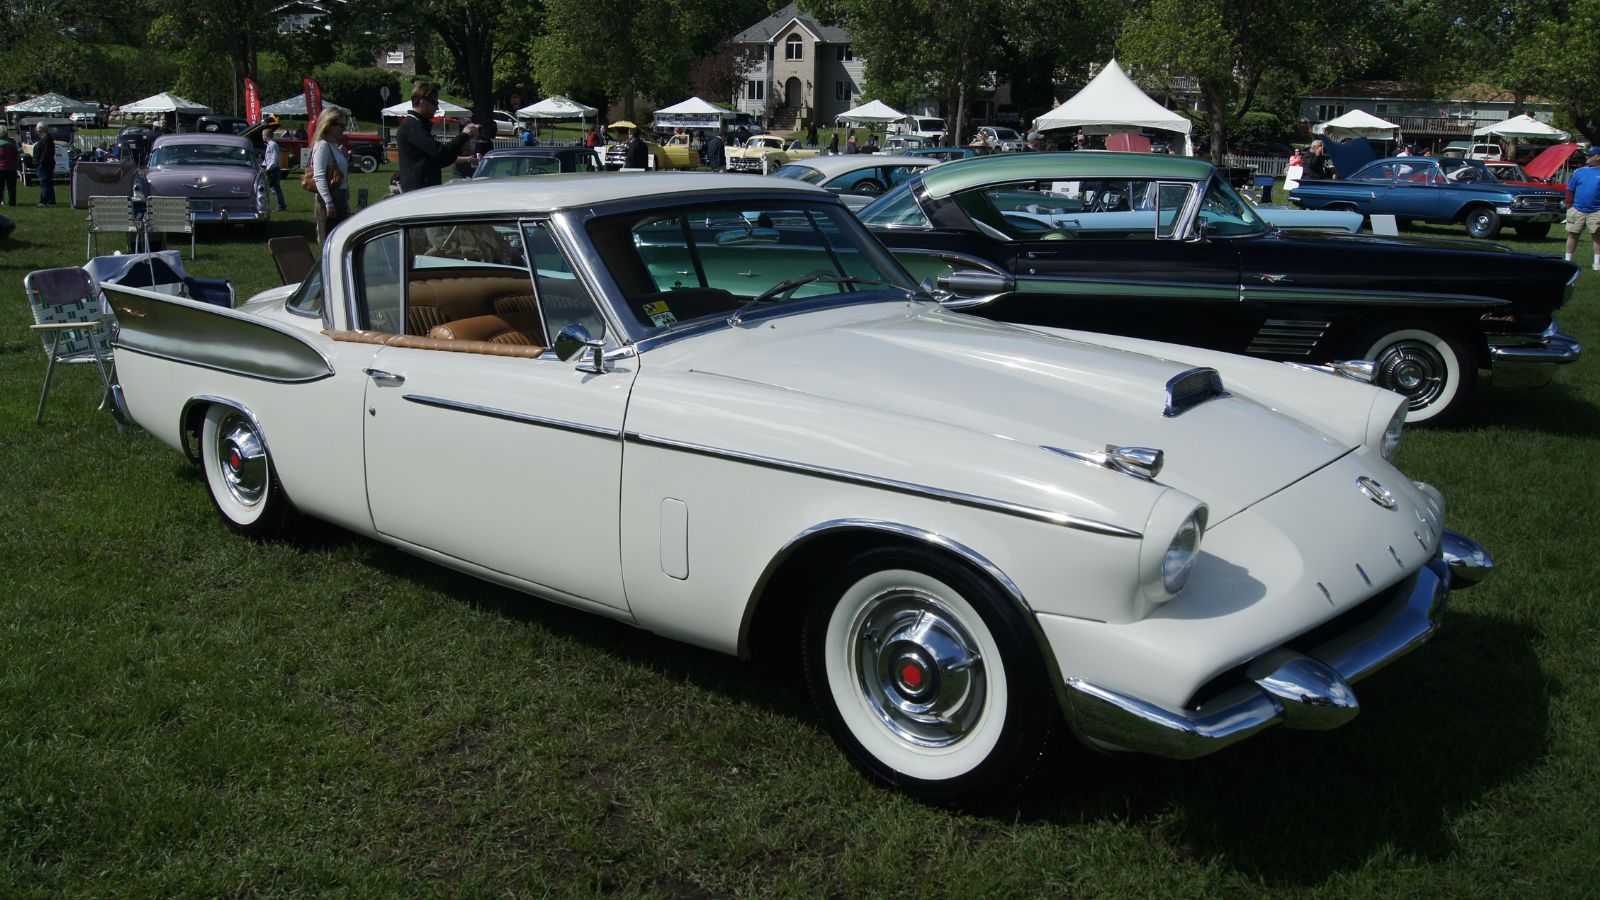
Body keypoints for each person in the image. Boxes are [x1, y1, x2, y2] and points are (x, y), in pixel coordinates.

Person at [396, 81, 478, 192]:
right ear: (422, 101)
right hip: (418, 193)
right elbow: (440, 153)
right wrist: (465, 134)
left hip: (423, 191)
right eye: (434, 102)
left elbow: (441, 160)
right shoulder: (413, 126)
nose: (436, 107)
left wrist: (461, 146)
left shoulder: (418, 125)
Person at [310, 108, 350, 242]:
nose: (343, 129)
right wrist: (328, 203)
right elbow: (319, 176)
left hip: (340, 198)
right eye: (341, 125)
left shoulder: (333, 146)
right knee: (331, 241)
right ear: (329, 124)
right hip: (331, 200)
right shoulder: (322, 145)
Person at [1563, 146, 1600, 270]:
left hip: (1597, 210)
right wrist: (1570, 206)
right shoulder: (1579, 172)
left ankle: (1597, 263)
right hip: (1577, 209)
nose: (1587, 158)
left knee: (1597, 236)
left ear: (1598, 157)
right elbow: (1570, 189)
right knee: (1573, 234)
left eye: (1589, 155)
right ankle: (1567, 261)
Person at [262, 129, 286, 211]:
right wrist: (262, 166)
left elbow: (274, 160)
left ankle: (281, 206)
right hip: (270, 170)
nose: (262, 136)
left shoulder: (273, 145)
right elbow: (267, 159)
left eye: (263, 135)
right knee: (273, 188)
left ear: (267, 135)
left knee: (275, 188)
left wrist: (267, 169)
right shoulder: (269, 145)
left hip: (273, 170)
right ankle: (280, 205)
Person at [34, 122, 56, 206]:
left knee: (44, 183)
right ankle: (51, 200)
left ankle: (43, 201)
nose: (36, 129)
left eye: (37, 128)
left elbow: (46, 153)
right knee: (48, 182)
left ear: (42, 129)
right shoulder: (43, 138)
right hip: (46, 163)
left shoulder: (46, 139)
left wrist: (40, 162)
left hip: (45, 164)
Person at [0, 126, 19, 207]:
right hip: (11, 167)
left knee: (0, 187)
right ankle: (12, 202)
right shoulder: (12, 142)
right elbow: (16, 154)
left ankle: (1, 201)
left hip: (1, 168)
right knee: (11, 187)